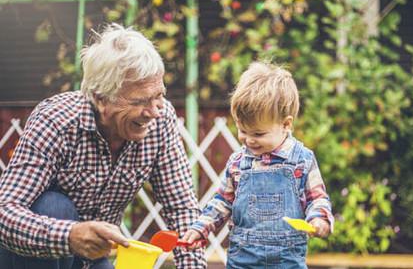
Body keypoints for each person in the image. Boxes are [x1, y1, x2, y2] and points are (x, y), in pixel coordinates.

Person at [0, 23, 206, 269]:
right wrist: (69, 235)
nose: (154, 112)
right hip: (36, 258)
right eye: (140, 101)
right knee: (54, 205)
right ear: (100, 98)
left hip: (92, 260)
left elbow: (181, 208)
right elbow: (4, 213)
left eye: (159, 95)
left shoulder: (161, 120)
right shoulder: (56, 121)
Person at [181, 62, 334, 268]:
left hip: (287, 262)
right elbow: (222, 202)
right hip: (242, 260)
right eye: (242, 131)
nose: (248, 140)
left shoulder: (302, 160)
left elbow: (316, 198)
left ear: (286, 124)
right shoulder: (238, 163)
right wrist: (201, 227)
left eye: (258, 134)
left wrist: (319, 220)